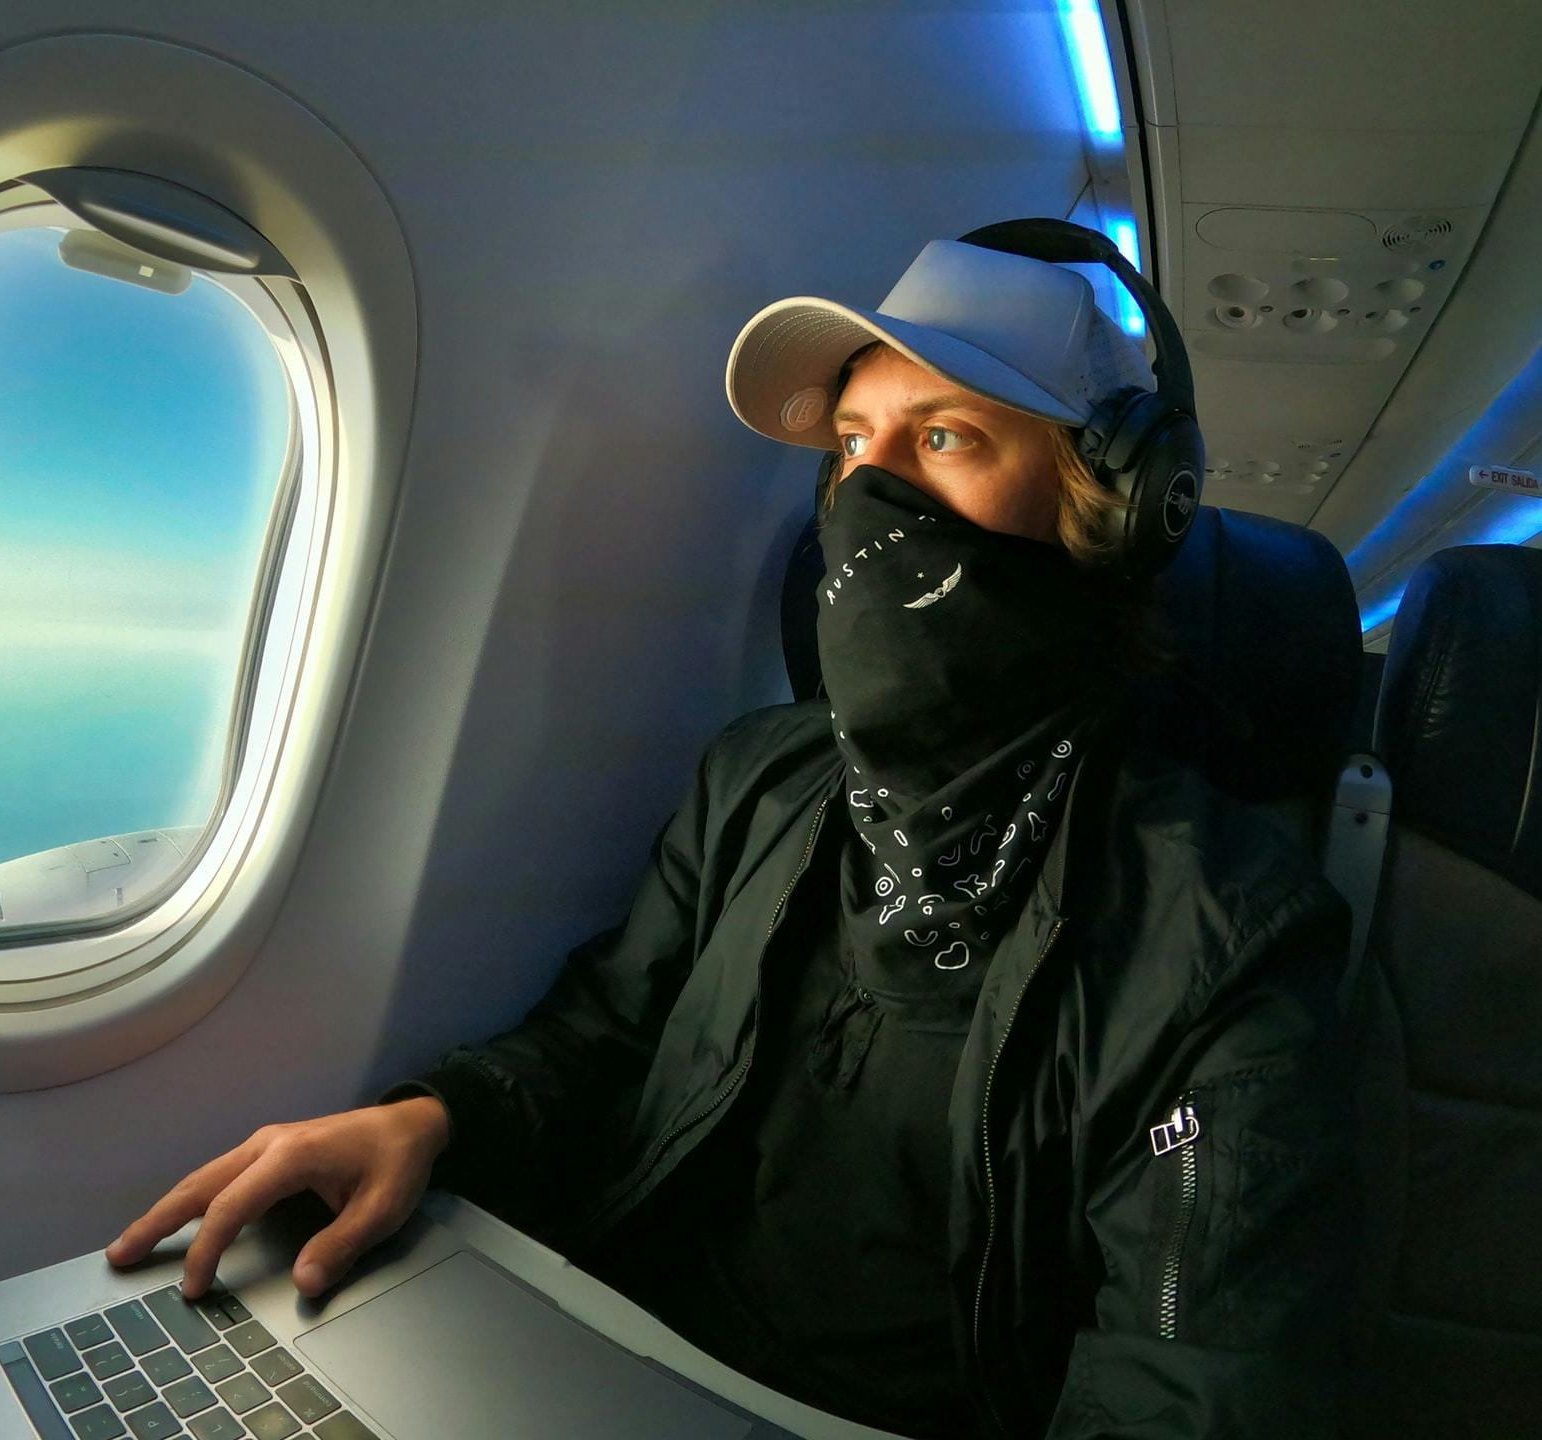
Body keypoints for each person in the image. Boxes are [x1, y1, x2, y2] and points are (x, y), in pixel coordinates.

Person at [110, 226, 1369, 1438]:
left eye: (945, 437)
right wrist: (434, 1120)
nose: (873, 493)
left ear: (1106, 514)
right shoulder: (760, 780)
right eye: (854, 444)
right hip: (606, 1360)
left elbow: (1191, 1385)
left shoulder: (1221, 946)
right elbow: (609, 1031)